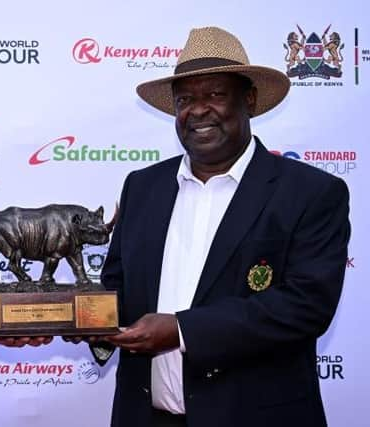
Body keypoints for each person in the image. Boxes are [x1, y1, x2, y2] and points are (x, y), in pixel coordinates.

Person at [97, 26, 350, 427]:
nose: (197, 111)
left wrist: (182, 330)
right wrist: (62, 318)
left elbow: (306, 306)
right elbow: (116, 290)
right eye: (185, 100)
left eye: (214, 95)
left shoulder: (311, 192)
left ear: (248, 100)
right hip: (146, 418)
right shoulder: (141, 187)